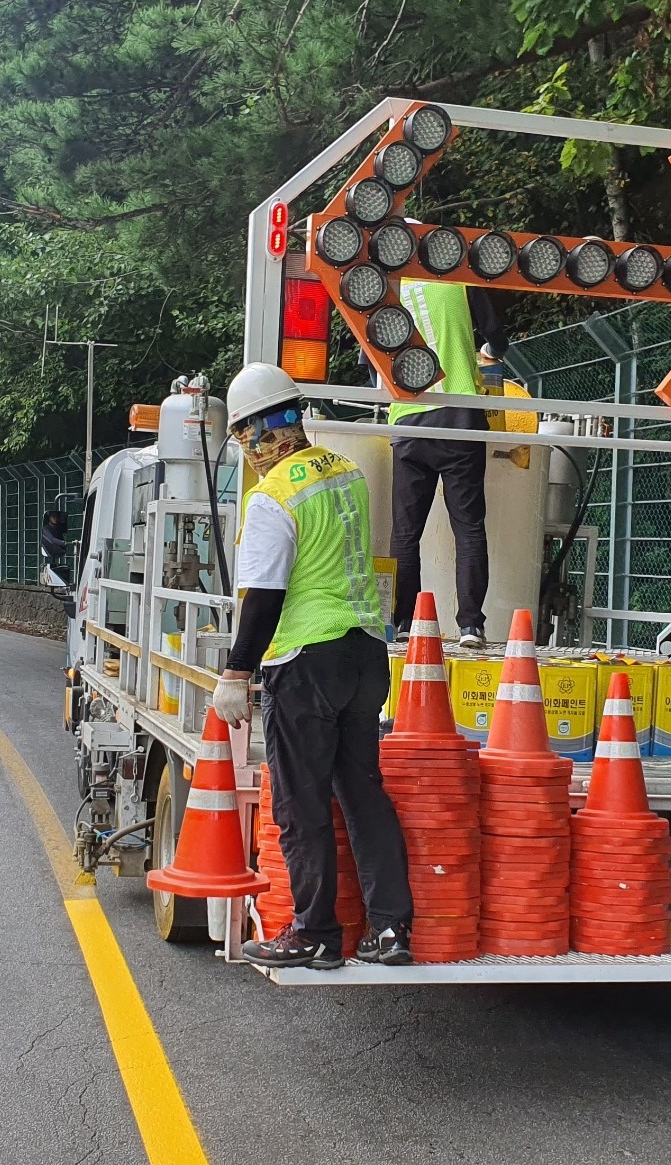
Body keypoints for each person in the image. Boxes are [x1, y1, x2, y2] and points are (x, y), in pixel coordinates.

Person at [211, 362, 413, 969]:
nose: (247, 447)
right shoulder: (345, 472)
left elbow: (265, 596)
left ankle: (315, 932)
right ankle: (390, 930)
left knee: (300, 805)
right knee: (362, 793)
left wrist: (236, 672)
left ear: (252, 431)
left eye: (245, 434)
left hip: (304, 662)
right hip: (365, 654)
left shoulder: (271, 497)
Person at [389, 279, 508, 648]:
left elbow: (370, 361)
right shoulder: (461, 282)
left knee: (406, 532)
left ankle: (403, 621)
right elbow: (496, 339)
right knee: (469, 527)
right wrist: (487, 353)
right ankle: (471, 626)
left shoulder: (386, 289)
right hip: (460, 417)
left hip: (408, 420)